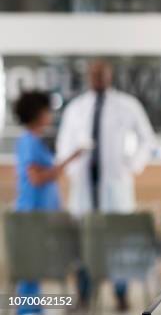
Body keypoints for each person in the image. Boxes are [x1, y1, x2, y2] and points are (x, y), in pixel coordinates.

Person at [56, 60, 156, 312]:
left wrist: (131, 166)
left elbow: (147, 140)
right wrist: (72, 171)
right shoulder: (77, 108)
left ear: (110, 76)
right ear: (88, 76)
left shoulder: (127, 105)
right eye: (93, 74)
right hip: (83, 187)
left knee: (118, 241)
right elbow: (63, 145)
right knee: (83, 244)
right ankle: (84, 294)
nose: (97, 78)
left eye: (102, 74)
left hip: (116, 185)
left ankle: (120, 294)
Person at [12, 91, 82, 315]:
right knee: (31, 268)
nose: (50, 114)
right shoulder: (28, 142)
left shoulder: (35, 141)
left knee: (36, 266)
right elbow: (36, 178)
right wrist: (67, 161)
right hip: (32, 215)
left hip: (40, 216)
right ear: (37, 112)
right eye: (47, 110)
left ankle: (34, 309)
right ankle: (27, 311)